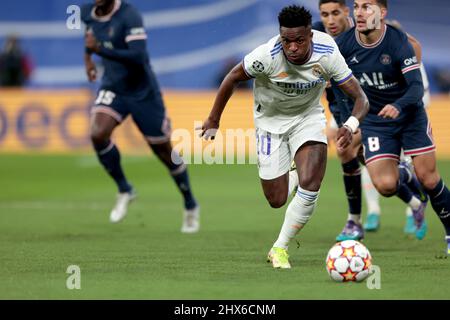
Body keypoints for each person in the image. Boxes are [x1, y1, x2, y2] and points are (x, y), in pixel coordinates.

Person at [199, 5, 369, 269]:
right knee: (276, 199)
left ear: (310, 36)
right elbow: (231, 78)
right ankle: (292, 170)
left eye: (299, 41)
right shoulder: (266, 55)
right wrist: (213, 118)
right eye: (286, 40)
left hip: (308, 118)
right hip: (269, 123)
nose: (292, 47)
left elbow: (360, 98)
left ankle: (280, 248)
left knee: (311, 183)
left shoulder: (327, 53)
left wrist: (350, 124)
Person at [334, 0, 450, 255]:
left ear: (382, 13)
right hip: (376, 122)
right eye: (356, 6)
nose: (360, 12)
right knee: (386, 186)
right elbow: (338, 88)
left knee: (429, 178)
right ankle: (405, 175)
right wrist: (349, 123)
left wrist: (398, 105)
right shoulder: (343, 45)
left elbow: (416, 87)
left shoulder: (397, 41)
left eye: (367, 7)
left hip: (410, 116)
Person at [81, 0, 200, 233]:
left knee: (163, 151)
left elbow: (138, 56)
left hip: (142, 92)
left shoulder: (129, 15)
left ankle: (190, 204)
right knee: (97, 134)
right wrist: (88, 61)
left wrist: (99, 51)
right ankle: (125, 189)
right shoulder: (87, 13)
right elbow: (89, 38)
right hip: (113, 87)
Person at [314, 0, 429, 240]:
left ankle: (354, 221)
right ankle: (413, 199)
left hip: (371, 107)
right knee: (363, 161)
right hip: (341, 106)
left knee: (348, 152)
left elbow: (411, 45)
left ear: (347, 12)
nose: (331, 20)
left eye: (336, 13)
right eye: (325, 14)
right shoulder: (318, 33)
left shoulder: (367, 29)